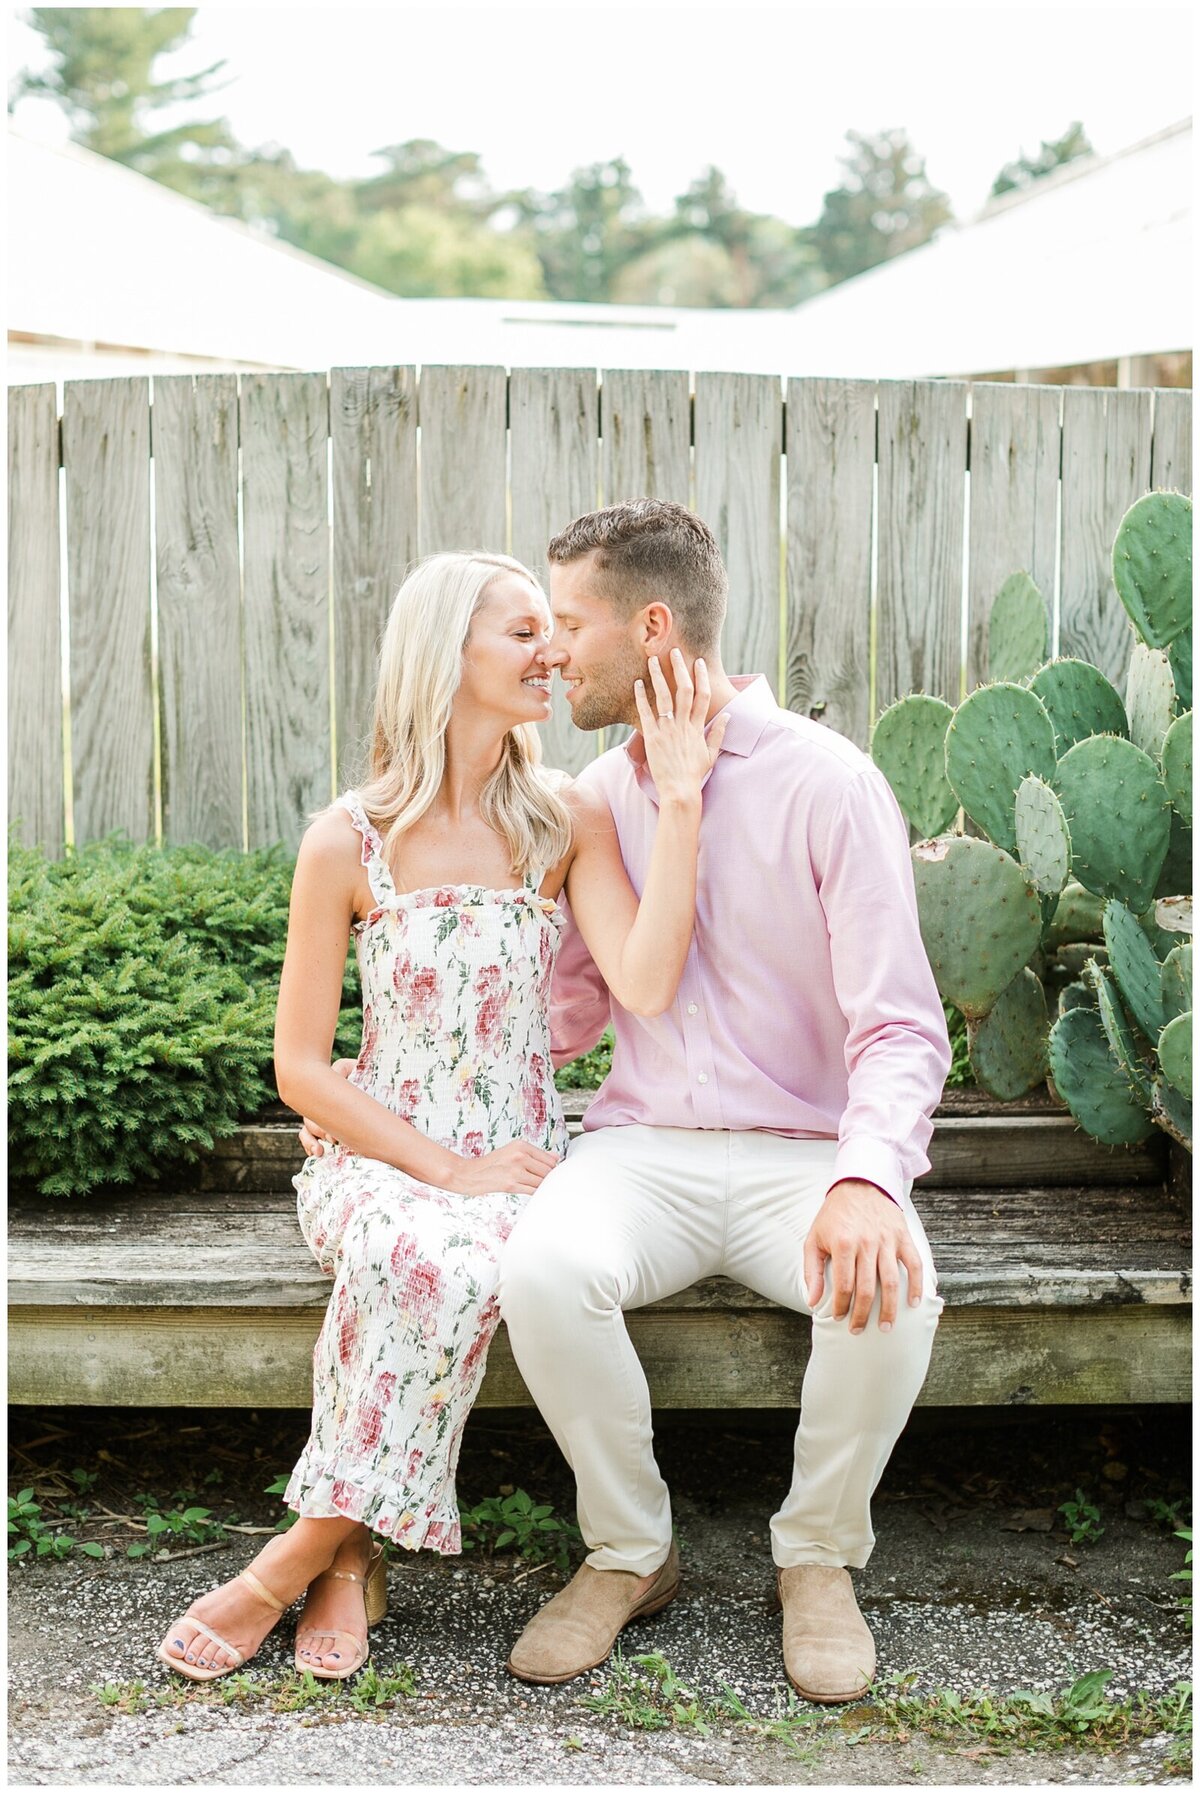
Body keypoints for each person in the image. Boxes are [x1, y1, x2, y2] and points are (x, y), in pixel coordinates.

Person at [156, 549, 725, 1684]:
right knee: (407, 1247)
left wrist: (679, 798)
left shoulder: (564, 821)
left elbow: (647, 981)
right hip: (376, 1152)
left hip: (519, 1155)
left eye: (550, 632)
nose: (552, 652)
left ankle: (313, 1553)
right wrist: (436, 1166)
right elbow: (301, 1069)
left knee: (462, 1264)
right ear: (444, 655)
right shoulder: (347, 839)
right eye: (523, 632)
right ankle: (332, 1554)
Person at [495, 500, 952, 1702]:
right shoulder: (596, 794)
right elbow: (576, 1015)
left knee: (891, 1287)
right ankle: (631, 1549)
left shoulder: (827, 782)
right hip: (640, 1149)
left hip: (804, 1151)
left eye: (569, 625)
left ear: (652, 626)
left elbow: (901, 1023)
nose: (550, 653)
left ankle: (815, 1556)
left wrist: (867, 1177)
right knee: (541, 1267)